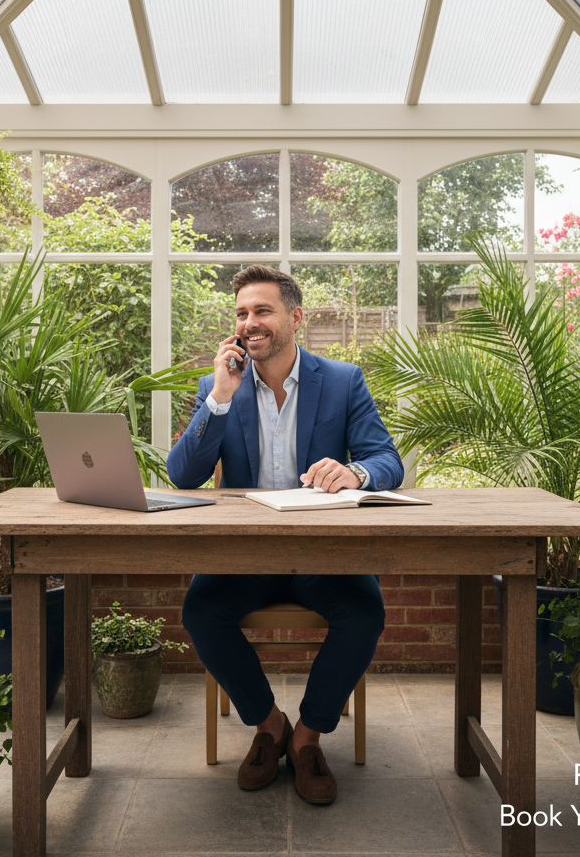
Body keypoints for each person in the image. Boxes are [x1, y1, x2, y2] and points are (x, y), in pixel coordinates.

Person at [167, 265, 404, 805]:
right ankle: (269, 724)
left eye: (262, 311)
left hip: (321, 554)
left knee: (364, 611)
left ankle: (308, 736)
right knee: (201, 611)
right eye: (242, 314)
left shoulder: (342, 381)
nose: (250, 323)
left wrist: (357, 474)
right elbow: (182, 475)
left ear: (294, 318)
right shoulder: (215, 386)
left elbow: (385, 458)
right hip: (245, 557)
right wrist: (220, 398)